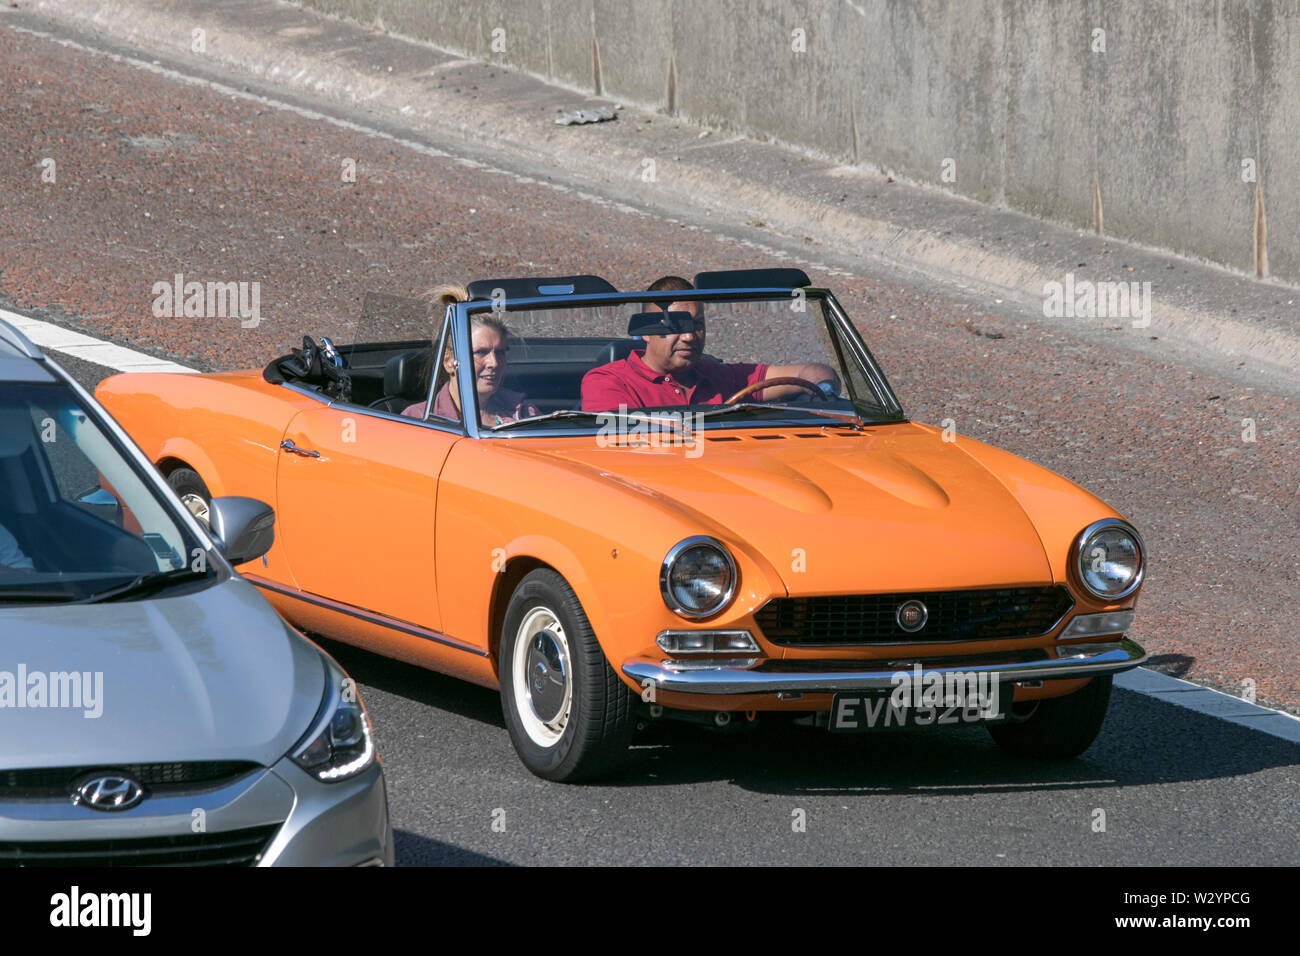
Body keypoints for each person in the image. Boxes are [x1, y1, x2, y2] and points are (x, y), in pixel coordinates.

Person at [580, 275, 840, 411]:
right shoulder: (608, 382)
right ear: (646, 332)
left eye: (697, 325)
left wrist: (824, 390)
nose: (690, 336)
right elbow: (620, 454)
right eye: (676, 326)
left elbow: (811, 372)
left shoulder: (722, 376)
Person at [401, 283, 538, 426]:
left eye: (500, 352)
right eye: (481, 352)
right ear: (449, 361)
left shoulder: (524, 412)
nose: (494, 362)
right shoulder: (417, 420)